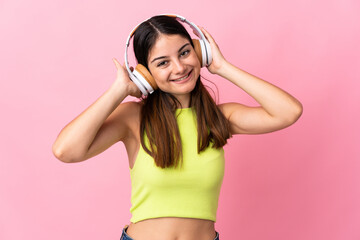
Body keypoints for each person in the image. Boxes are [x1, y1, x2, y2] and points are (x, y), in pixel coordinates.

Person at [52, 15, 302, 240]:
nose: (180, 68)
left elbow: (288, 112)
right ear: (145, 74)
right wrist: (120, 90)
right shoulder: (132, 117)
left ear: (199, 52)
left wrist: (222, 67)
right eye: (163, 63)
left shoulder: (220, 117)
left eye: (184, 53)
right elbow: (66, 150)